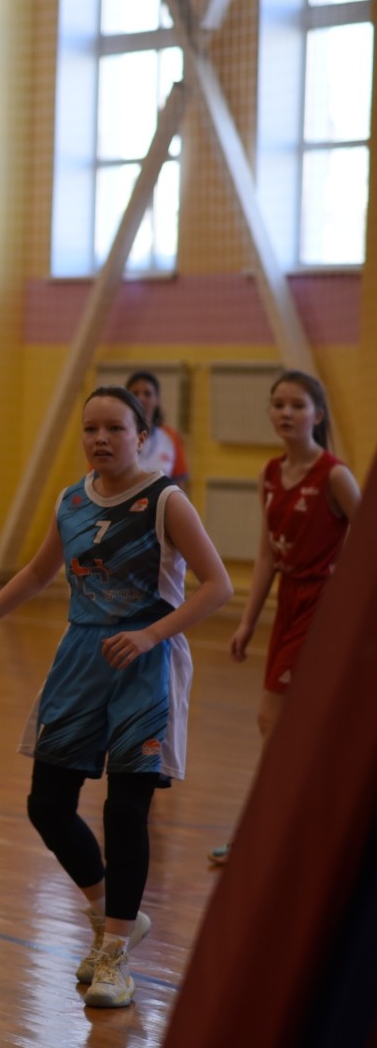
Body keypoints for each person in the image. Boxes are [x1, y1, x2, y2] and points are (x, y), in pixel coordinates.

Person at [0, 386, 232, 1010]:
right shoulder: (71, 499)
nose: (100, 439)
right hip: (79, 660)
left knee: (125, 811)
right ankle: (108, 914)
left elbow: (218, 586)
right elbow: (38, 572)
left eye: (115, 428)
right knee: (47, 804)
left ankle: (116, 953)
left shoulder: (165, 500)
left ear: (141, 437)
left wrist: (151, 634)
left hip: (145, 664)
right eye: (90, 428)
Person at [214, 370, 359, 864]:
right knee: (298, 725)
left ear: (318, 414)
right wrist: (247, 621)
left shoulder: (335, 475)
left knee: (270, 718)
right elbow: (266, 555)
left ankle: (265, 834)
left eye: (297, 405)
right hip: (289, 603)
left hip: (323, 605)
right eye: (278, 404)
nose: (286, 413)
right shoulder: (269, 474)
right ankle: (310, 826)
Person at [125, 371, 188, 486]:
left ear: (157, 400)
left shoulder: (171, 436)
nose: (141, 398)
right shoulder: (114, 435)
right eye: (135, 393)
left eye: (147, 394)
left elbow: (179, 485)